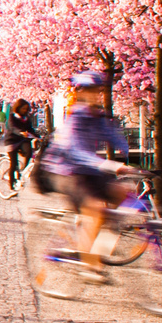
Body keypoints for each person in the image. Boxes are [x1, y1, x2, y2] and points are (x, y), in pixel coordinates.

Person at [43, 71, 131, 272]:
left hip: (90, 171)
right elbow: (76, 151)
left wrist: (125, 152)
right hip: (67, 172)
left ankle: (97, 249)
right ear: (81, 92)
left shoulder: (98, 116)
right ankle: (90, 266)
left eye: (98, 91)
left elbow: (112, 135)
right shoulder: (75, 117)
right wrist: (109, 165)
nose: (95, 95)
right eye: (90, 91)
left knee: (125, 195)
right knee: (95, 210)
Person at [4, 98, 39, 190]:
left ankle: (23, 169)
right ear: (18, 108)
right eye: (23, 108)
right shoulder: (12, 116)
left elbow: (31, 129)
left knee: (29, 152)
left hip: (22, 140)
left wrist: (38, 136)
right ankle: (11, 184)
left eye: (26, 109)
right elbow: (12, 127)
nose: (25, 110)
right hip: (11, 140)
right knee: (14, 162)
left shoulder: (26, 118)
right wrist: (20, 132)